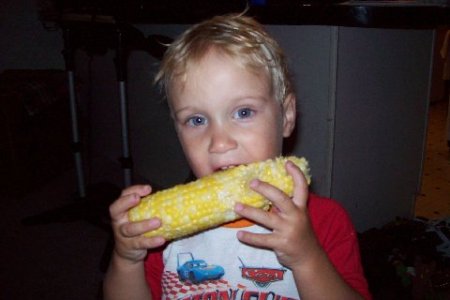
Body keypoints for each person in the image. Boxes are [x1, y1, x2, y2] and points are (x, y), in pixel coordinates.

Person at [103, 13, 372, 300]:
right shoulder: (162, 235)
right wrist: (126, 261)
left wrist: (307, 258)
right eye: (196, 120)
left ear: (287, 117)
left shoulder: (325, 222)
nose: (219, 143)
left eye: (243, 112)